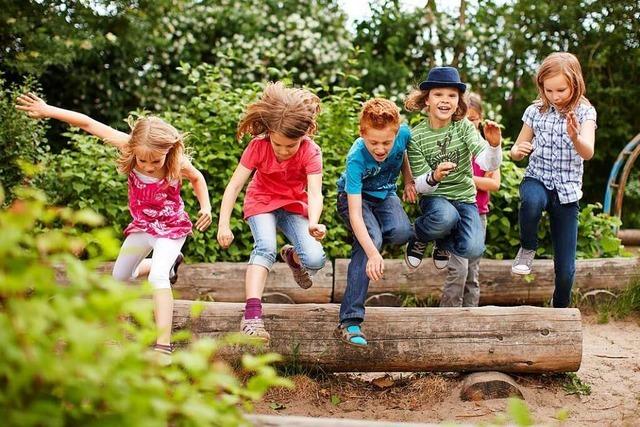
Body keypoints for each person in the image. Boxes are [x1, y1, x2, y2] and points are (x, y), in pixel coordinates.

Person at [16, 93, 212, 355]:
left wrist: (206, 206)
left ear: (169, 151)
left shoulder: (177, 163)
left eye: (156, 160)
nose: (149, 166)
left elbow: (198, 179)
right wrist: (47, 109)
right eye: (143, 160)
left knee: (157, 277)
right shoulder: (128, 145)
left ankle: (163, 347)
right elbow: (89, 124)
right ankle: (166, 263)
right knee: (121, 275)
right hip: (142, 226)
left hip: (171, 228)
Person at [217, 82, 326, 343]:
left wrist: (313, 223)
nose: (285, 151)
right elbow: (234, 186)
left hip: (293, 206)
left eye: (292, 145)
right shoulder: (258, 146)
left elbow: (314, 192)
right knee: (264, 247)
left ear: (304, 135)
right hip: (261, 202)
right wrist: (224, 224)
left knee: (315, 260)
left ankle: (293, 257)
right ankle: (252, 316)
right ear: (269, 132)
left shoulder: (311, 151)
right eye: (279, 144)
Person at [510, 52, 596, 308]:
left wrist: (575, 136)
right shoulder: (536, 111)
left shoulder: (585, 112)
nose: (555, 96)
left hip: (567, 192)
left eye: (561, 90)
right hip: (537, 178)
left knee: (567, 270)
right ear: (541, 87)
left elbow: (588, 152)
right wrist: (517, 152)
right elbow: (517, 148)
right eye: (549, 90)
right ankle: (527, 248)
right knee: (531, 202)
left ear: (575, 84)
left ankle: (560, 310)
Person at [334, 98, 416, 347]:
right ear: (362, 134)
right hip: (352, 200)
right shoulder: (356, 158)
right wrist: (372, 252)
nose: (380, 149)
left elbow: (402, 154)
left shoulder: (402, 134)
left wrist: (409, 180)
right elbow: (356, 214)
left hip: (385, 194)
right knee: (371, 240)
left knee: (403, 232)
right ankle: (350, 320)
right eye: (373, 143)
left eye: (386, 143)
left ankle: (372, 240)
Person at [403, 66, 502, 271]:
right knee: (446, 216)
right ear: (427, 99)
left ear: (458, 101)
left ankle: (442, 242)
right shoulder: (416, 137)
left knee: (474, 249)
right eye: (438, 94)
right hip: (435, 198)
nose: (445, 100)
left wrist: (494, 146)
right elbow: (420, 185)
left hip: (465, 198)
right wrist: (435, 176)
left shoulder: (464, 127)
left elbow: (487, 163)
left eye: (452, 95)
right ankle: (418, 235)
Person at [440, 93, 501, 307]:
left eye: (474, 119)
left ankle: (471, 318)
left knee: (472, 273)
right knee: (459, 269)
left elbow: (494, 183)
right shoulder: (451, 145)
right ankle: (447, 318)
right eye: (465, 119)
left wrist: (466, 178)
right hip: (456, 214)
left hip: (478, 215)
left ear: (480, 119)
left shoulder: (486, 149)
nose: (470, 124)